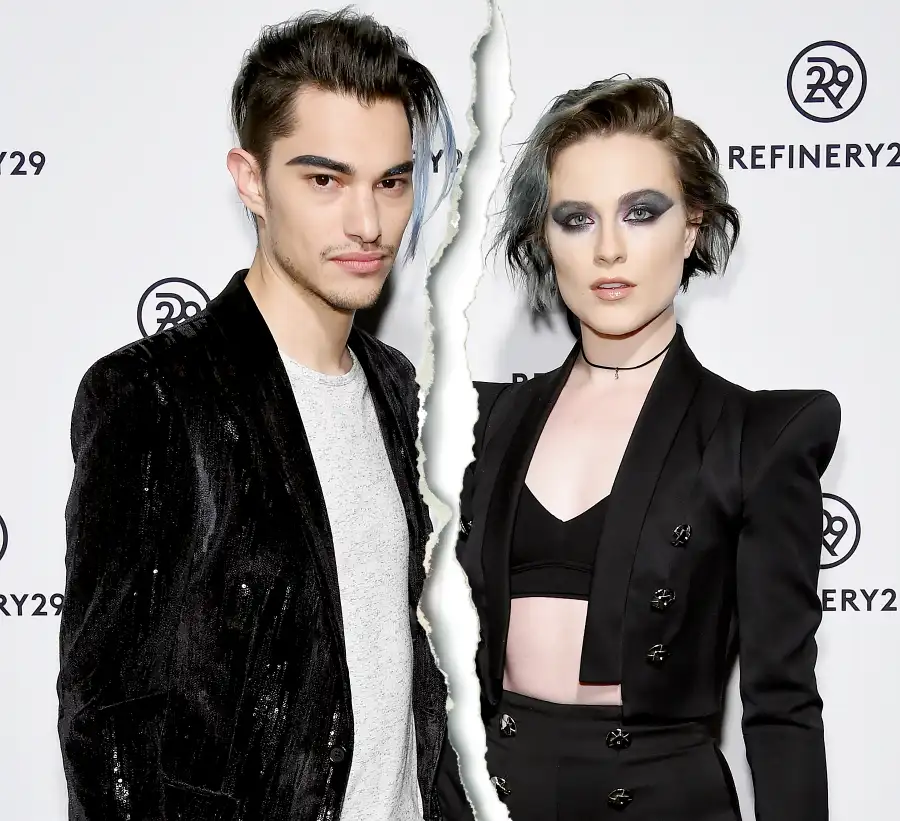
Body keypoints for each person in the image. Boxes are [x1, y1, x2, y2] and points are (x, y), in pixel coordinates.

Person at [58, 10, 460, 821]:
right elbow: (105, 732)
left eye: (391, 180)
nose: (368, 223)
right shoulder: (157, 396)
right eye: (324, 180)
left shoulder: (396, 386)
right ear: (250, 180)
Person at [440, 77, 839, 821]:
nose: (610, 249)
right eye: (577, 218)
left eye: (641, 212)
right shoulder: (481, 420)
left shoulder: (756, 437)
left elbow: (782, 706)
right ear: (543, 239)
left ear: (691, 227)